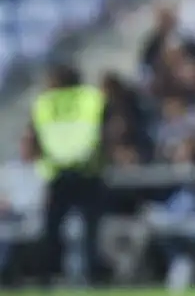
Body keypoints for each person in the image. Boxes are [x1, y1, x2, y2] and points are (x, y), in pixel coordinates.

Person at [31, 64, 106, 286]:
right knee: (89, 229)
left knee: (52, 230)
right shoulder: (91, 99)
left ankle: (47, 277)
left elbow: (38, 137)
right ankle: (92, 277)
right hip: (87, 170)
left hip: (59, 172)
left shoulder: (45, 103)